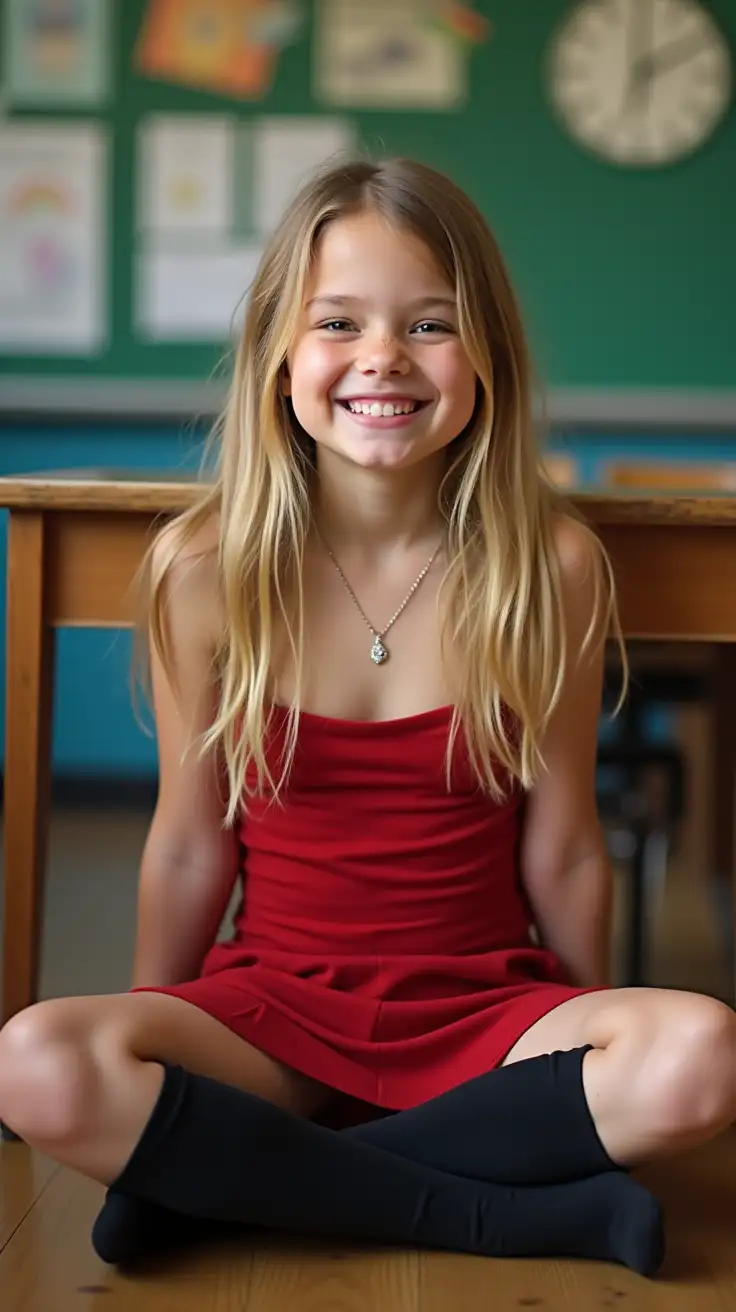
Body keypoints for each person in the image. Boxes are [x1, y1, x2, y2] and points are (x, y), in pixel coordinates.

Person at [0, 157, 734, 1279]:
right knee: (36, 1061)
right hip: (270, 1011)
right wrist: (158, 1024)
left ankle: (223, 1184)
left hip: (484, 1009)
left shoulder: (552, 566)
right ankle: (504, 1202)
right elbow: (192, 839)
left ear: (484, 354)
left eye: (429, 323)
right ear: (277, 355)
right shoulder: (203, 570)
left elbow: (566, 841)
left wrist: (581, 1032)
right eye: (338, 320)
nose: (382, 356)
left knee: (701, 1055)